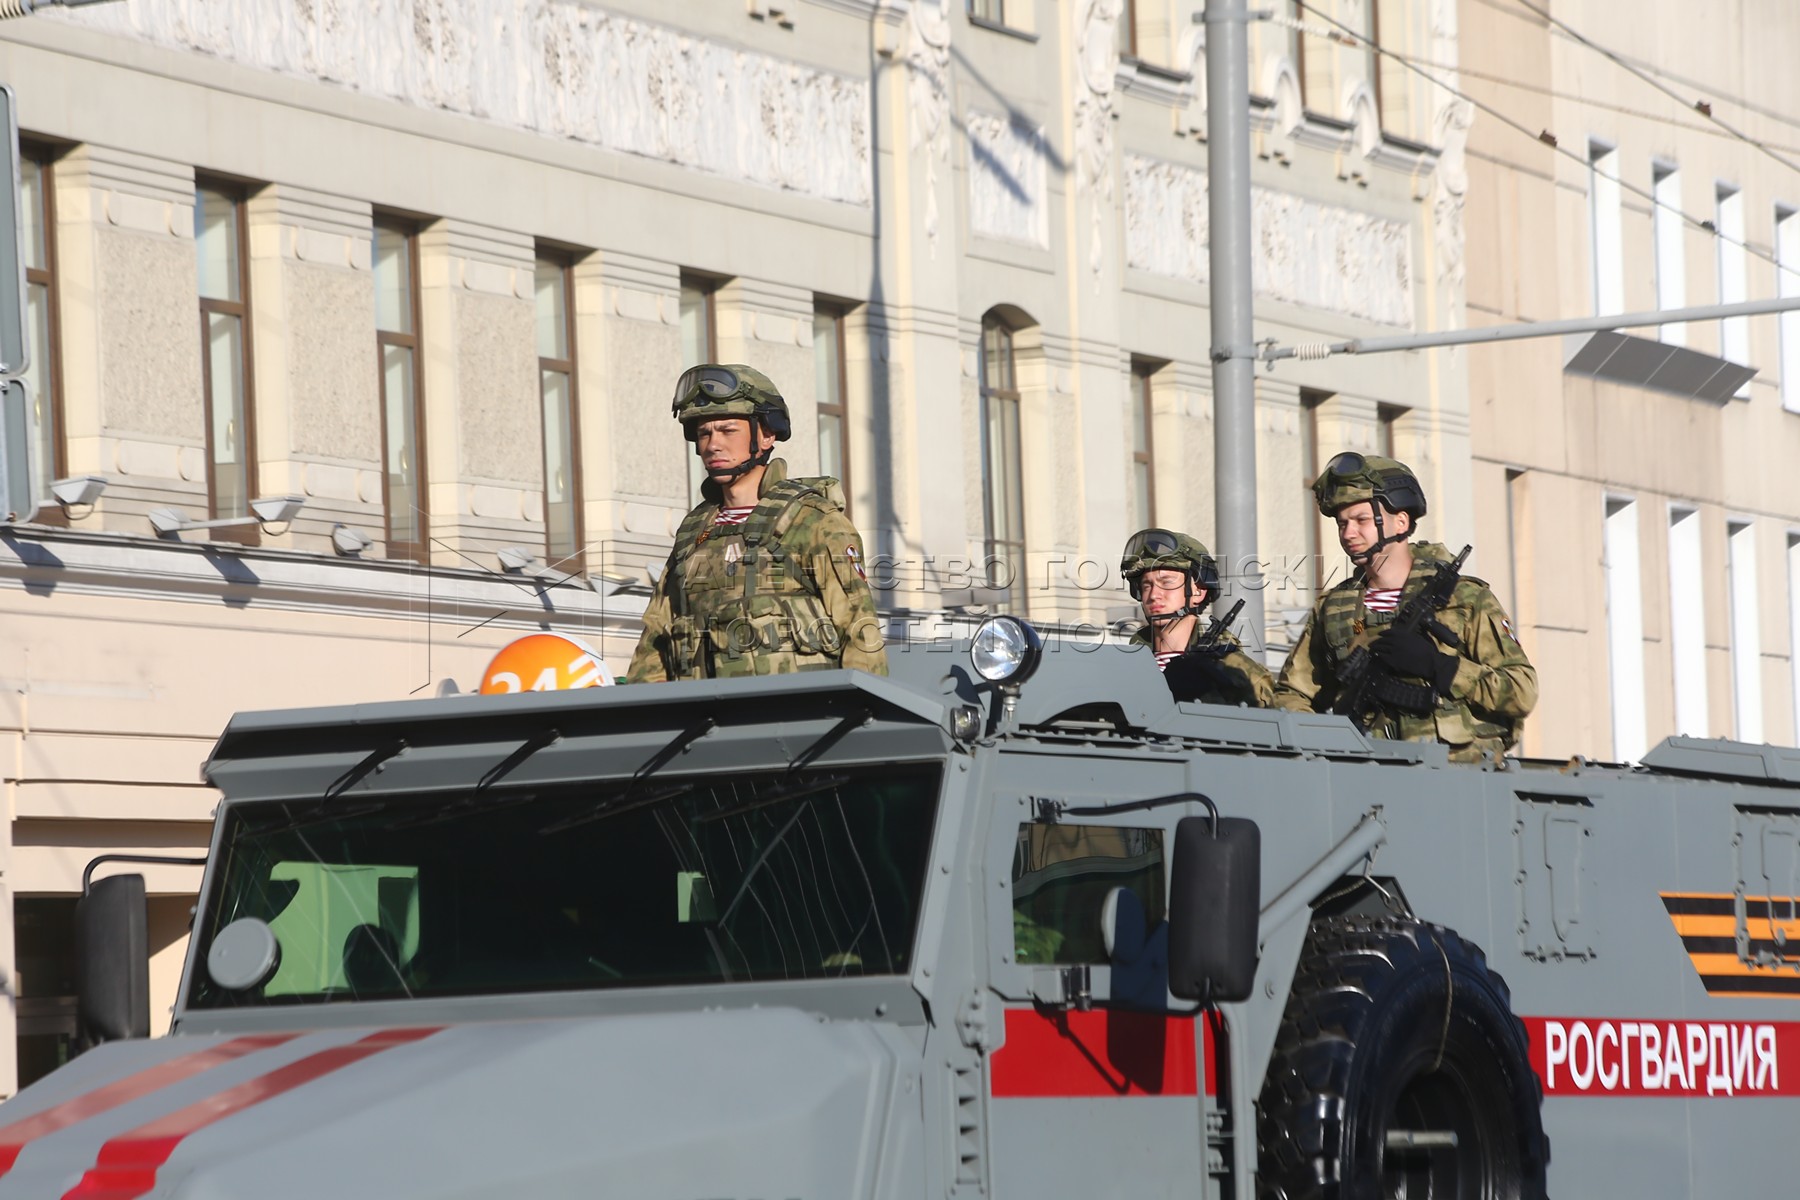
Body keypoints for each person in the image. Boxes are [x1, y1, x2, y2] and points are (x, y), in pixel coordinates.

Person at [626, 364, 888, 682]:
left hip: (800, 718)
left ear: (765, 434)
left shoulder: (813, 521)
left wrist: (857, 719)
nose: (712, 445)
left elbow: (860, 631)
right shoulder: (693, 534)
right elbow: (656, 637)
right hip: (703, 719)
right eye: (704, 433)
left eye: (727, 430)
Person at [1274, 452, 1535, 762]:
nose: (1348, 533)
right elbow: (1293, 695)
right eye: (1342, 523)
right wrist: (1322, 745)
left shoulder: (1463, 598)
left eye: (1361, 520)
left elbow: (1521, 690)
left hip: (1459, 778)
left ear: (1401, 521)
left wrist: (1441, 667)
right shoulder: (1333, 608)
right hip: (1365, 774)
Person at [1121, 528, 1273, 706]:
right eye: (1147, 585)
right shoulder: (1125, 668)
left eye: (1166, 583)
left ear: (1198, 591)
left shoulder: (1237, 672)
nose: (1154, 595)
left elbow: (1268, 728)